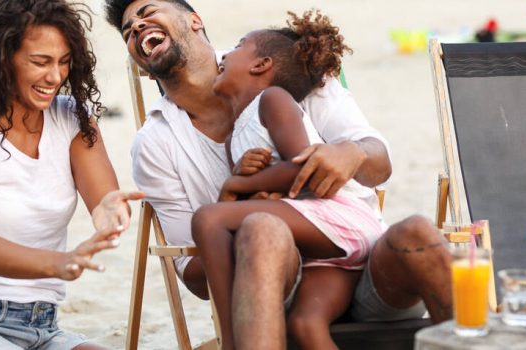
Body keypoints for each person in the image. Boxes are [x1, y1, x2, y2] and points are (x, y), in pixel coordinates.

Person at [104, 1, 452, 348]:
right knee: (260, 228)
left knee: (417, 231)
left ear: (195, 20)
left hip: (367, 263)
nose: (136, 25)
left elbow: (377, 165)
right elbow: (194, 279)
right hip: (283, 290)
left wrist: (352, 151)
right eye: (127, 29)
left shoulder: (289, 72)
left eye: (147, 12)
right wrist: (240, 211)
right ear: (145, 69)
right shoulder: (155, 144)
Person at [0, 1, 143, 349]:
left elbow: (104, 202)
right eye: (41, 62)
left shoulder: (73, 120)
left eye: (64, 62)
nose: (55, 76)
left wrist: (111, 213)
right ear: (2, 58)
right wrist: (60, 263)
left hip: (44, 326)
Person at [192, 11, 385, 349]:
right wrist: (235, 184)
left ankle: (230, 340)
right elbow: (256, 199)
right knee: (308, 328)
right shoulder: (234, 136)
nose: (223, 56)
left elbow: (303, 169)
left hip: (341, 219)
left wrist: (241, 185)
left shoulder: (273, 100)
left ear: (261, 65)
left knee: (208, 218)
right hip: (318, 254)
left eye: (237, 47)